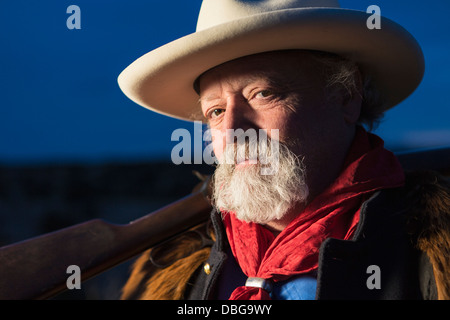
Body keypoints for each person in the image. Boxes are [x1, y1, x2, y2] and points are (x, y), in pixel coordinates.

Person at [117, 0, 450, 300]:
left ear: (347, 96)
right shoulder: (181, 269)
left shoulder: (430, 257)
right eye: (215, 111)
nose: (233, 130)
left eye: (262, 93)